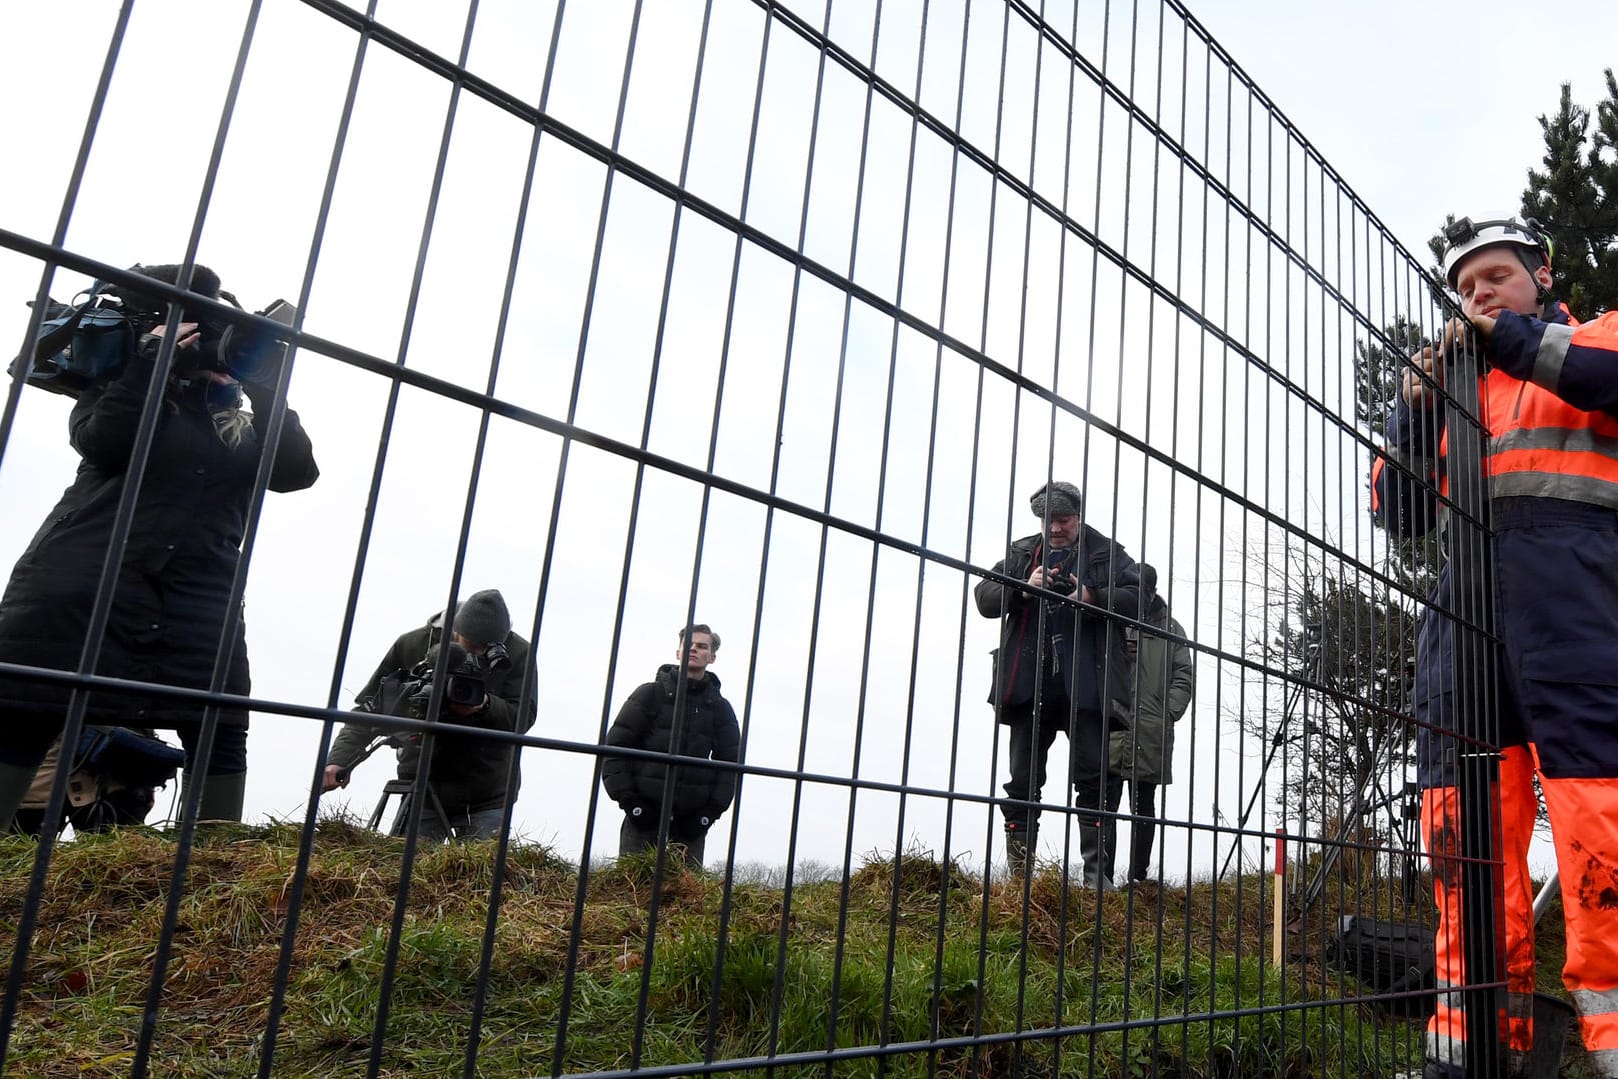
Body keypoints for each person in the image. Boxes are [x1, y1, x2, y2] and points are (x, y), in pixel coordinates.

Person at [1371, 215, 1618, 1078]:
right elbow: (1398, 515)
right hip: (1464, 635)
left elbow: (1601, 375)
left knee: (1601, 836)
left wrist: (1509, 341)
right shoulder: (1457, 396)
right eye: (1466, 286)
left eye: (1498, 277)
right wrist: (1412, 409)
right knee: (1463, 845)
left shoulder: (1596, 337)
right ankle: (1474, 1054)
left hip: (1581, 620)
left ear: (1542, 277)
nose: (1478, 294)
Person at [0, 264, 319, 828]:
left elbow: (295, 470)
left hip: (197, 601)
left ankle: (211, 874)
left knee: (220, 726)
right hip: (85, 587)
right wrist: (153, 358)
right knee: (27, 713)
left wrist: (262, 383)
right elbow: (105, 440)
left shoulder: (235, 422)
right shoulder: (122, 385)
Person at [974, 481, 1141, 887]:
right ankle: (1021, 882)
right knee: (1022, 783)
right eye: (1048, 520)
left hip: (1088, 687)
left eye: (1062, 520)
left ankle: (1096, 883)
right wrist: (1024, 588)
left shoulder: (1108, 554)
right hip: (1030, 684)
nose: (1054, 529)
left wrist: (1089, 594)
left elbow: (1141, 598)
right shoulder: (1020, 553)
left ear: (1078, 517)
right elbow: (984, 597)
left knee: (1096, 782)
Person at [323, 589, 536, 841]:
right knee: (407, 872)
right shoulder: (413, 645)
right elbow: (372, 708)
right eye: (473, 645)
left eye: (487, 648)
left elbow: (523, 717)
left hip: (487, 792)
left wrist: (485, 705)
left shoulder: (518, 652)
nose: (479, 652)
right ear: (457, 631)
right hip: (423, 782)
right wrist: (338, 759)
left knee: (484, 876)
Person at [603, 624, 740, 870]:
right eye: (688, 645)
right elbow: (615, 749)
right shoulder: (649, 695)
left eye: (701, 646)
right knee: (630, 892)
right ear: (678, 653)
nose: (693, 650)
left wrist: (708, 814)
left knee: (686, 901)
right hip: (643, 813)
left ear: (712, 657)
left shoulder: (720, 708)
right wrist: (630, 801)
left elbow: (730, 767)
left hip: (691, 821)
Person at [1103, 564, 1194, 887]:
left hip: (1151, 728)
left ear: (1152, 592)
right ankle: (1102, 878)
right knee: (1105, 804)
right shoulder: (1111, 621)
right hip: (1110, 723)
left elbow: (1184, 675)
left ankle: (1138, 879)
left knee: (1143, 806)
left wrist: (1167, 712)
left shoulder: (1171, 629)